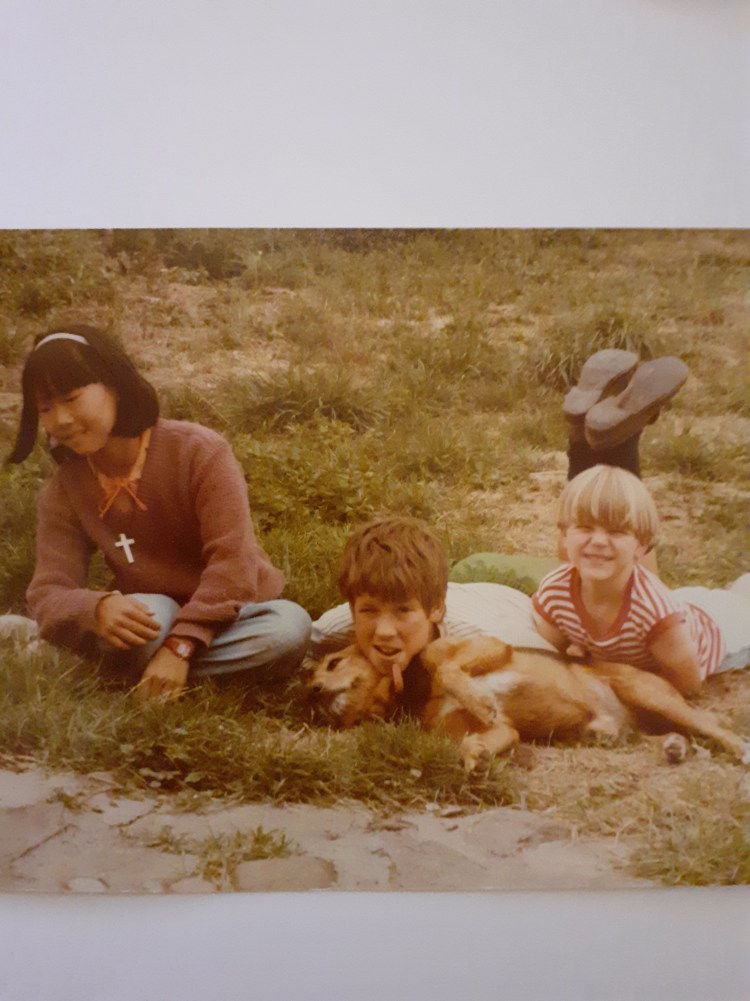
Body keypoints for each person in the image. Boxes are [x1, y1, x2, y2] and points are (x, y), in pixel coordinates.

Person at [6, 325, 311, 700]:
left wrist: (181, 645)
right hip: (149, 620)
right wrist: (95, 609)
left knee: (289, 629)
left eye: (71, 398)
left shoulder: (199, 452)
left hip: (228, 614)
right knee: (157, 613)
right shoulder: (65, 487)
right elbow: (48, 591)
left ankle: (108, 667)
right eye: (45, 408)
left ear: (115, 386)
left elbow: (233, 565)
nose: (61, 419)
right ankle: (155, 668)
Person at [532, 464, 750, 697]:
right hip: (682, 604)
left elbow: (688, 684)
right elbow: (548, 657)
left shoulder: (654, 611)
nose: (598, 541)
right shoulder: (555, 590)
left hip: (719, 632)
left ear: (641, 545)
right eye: (585, 528)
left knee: (742, 604)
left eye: (616, 532)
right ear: (564, 536)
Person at [309, 516, 557, 704]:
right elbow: (306, 644)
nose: (384, 631)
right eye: (369, 611)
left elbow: (552, 668)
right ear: (352, 609)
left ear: (437, 609)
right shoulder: (338, 625)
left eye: (402, 611)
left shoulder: (477, 634)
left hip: (514, 591)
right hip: (450, 588)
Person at [562, 349, 688, 480]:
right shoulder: (627, 413)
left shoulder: (577, 415)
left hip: (579, 484)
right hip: (625, 483)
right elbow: (650, 414)